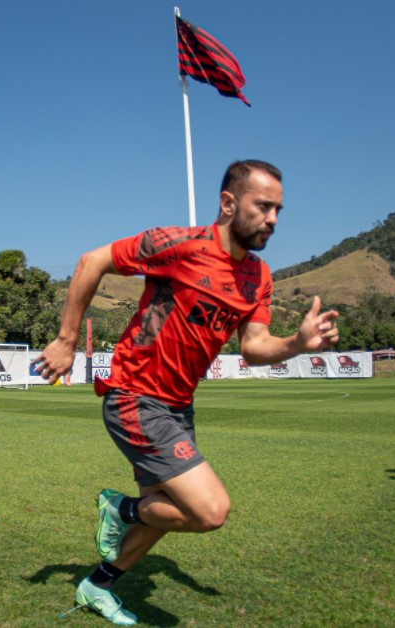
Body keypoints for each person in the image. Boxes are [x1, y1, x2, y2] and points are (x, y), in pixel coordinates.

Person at [36, 160, 340, 625]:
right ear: (228, 203)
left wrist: (297, 344)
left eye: (279, 209)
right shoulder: (176, 244)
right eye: (263, 206)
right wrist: (66, 340)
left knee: (167, 514)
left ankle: (96, 585)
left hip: (178, 407)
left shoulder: (258, 277)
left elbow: (255, 348)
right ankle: (120, 508)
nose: (274, 219)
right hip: (136, 395)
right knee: (209, 510)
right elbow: (91, 261)